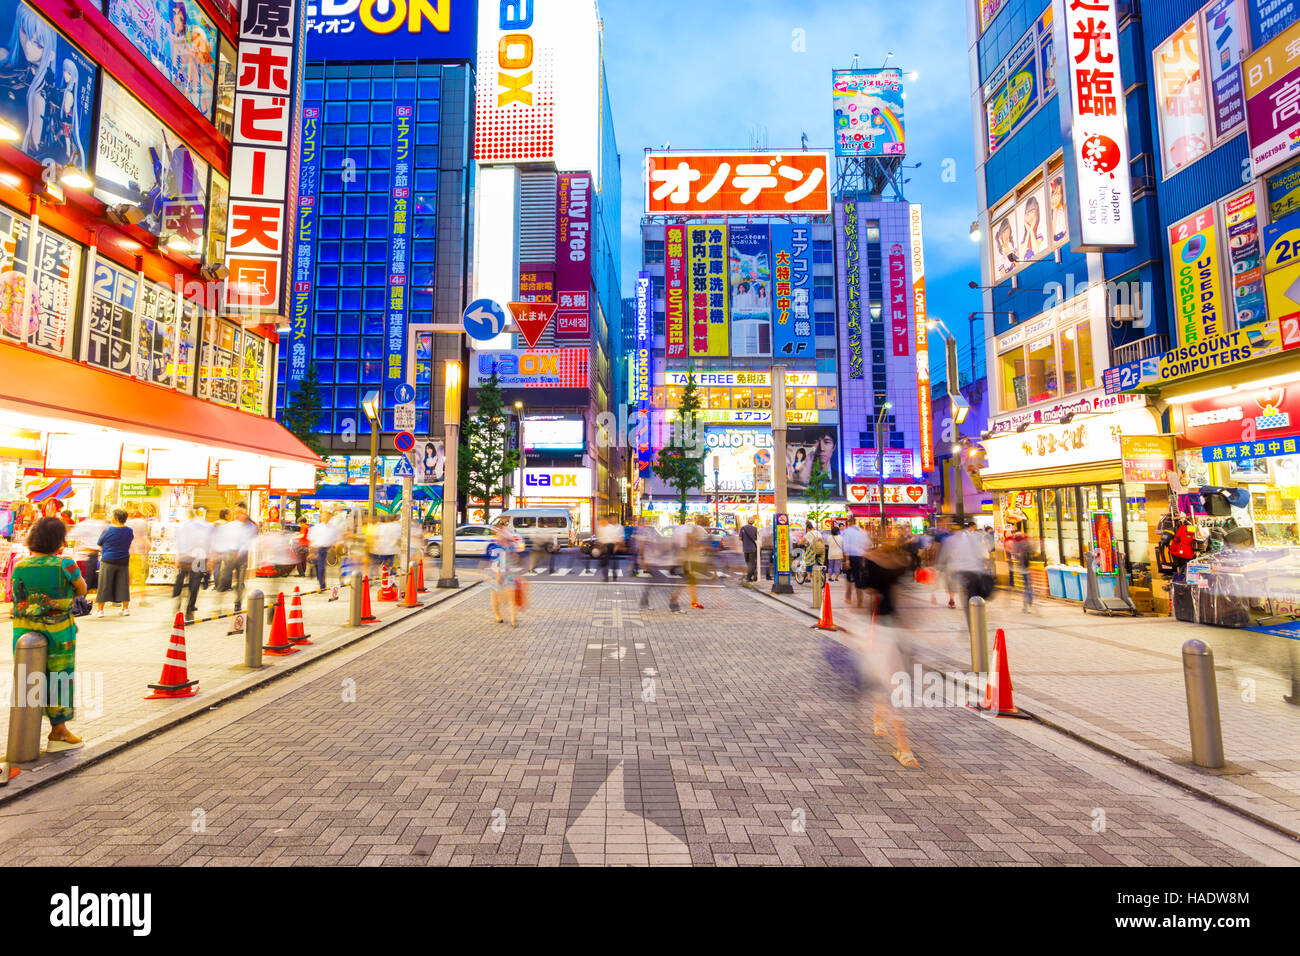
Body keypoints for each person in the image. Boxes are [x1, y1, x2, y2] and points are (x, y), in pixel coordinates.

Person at [10, 516, 86, 746]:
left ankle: (22, 737)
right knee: (59, 679)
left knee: (28, 681)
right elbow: (81, 589)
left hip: (23, 631)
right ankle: (59, 731)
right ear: (58, 540)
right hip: (58, 633)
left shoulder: (20, 565)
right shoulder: (65, 564)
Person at [856, 536, 918, 768]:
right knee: (893, 682)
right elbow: (901, 595)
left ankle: (886, 724)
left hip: (881, 627)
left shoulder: (871, 561)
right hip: (890, 627)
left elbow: (865, 591)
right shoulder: (901, 563)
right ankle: (903, 745)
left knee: (884, 679)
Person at [213, 507, 256, 611]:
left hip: (242, 558)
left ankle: (238, 603)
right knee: (223, 578)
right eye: (240, 513)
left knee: (240, 582)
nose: (242, 515)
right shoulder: (230, 526)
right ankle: (219, 598)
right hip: (230, 555)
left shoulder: (248, 528)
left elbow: (247, 542)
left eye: (244, 513)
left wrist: (240, 552)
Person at [173, 508, 211, 622]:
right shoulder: (204, 527)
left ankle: (178, 599)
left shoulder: (183, 527)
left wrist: (178, 558)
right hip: (198, 559)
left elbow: (178, 543)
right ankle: (189, 610)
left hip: (185, 558)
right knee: (194, 585)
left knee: (181, 579)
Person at [93, 509, 133, 616]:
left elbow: (99, 544)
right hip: (123, 560)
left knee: (104, 584)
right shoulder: (129, 530)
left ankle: (100, 610)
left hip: (108, 560)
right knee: (123, 585)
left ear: (115, 518)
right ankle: (125, 609)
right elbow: (129, 542)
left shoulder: (107, 530)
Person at [487, 523, 525, 627]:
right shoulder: (495, 545)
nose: (501, 534)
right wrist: (499, 574)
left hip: (508, 573)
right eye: (500, 532)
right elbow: (496, 561)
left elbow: (515, 557)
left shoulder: (509, 545)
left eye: (502, 531)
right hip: (496, 573)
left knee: (510, 596)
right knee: (496, 596)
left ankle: (513, 619)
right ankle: (498, 615)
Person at [307, 514, 341, 590]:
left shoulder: (333, 528)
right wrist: (311, 552)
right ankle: (320, 581)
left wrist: (335, 547)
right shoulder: (316, 527)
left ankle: (321, 584)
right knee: (318, 566)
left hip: (326, 549)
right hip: (316, 548)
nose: (325, 518)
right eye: (324, 516)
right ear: (321, 518)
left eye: (327, 517)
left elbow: (337, 539)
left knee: (321, 567)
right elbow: (311, 540)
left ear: (329, 518)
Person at [841, 516, 868, 607]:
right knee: (858, 578)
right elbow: (864, 547)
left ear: (849, 523)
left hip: (851, 557)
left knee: (849, 577)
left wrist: (847, 560)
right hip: (860, 557)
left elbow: (846, 547)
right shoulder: (861, 532)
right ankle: (860, 601)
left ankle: (848, 597)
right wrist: (863, 560)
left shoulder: (847, 532)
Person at [597, 516, 623, 582]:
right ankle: (606, 577)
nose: (601, 522)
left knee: (612, 562)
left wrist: (616, 545)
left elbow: (615, 537)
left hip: (611, 545)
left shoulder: (611, 527)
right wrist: (601, 548)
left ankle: (614, 576)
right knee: (606, 562)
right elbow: (600, 539)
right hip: (605, 546)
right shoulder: (600, 528)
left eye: (602, 520)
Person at [740, 515, 759, 582]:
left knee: (748, 563)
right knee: (752, 563)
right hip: (753, 548)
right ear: (753, 522)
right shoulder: (755, 529)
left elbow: (740, 538)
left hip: (745, 548)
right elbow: (756, 538)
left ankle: (749, 577)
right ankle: (754, 573)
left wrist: (744, 540)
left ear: (748, 521)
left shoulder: (743, 528)